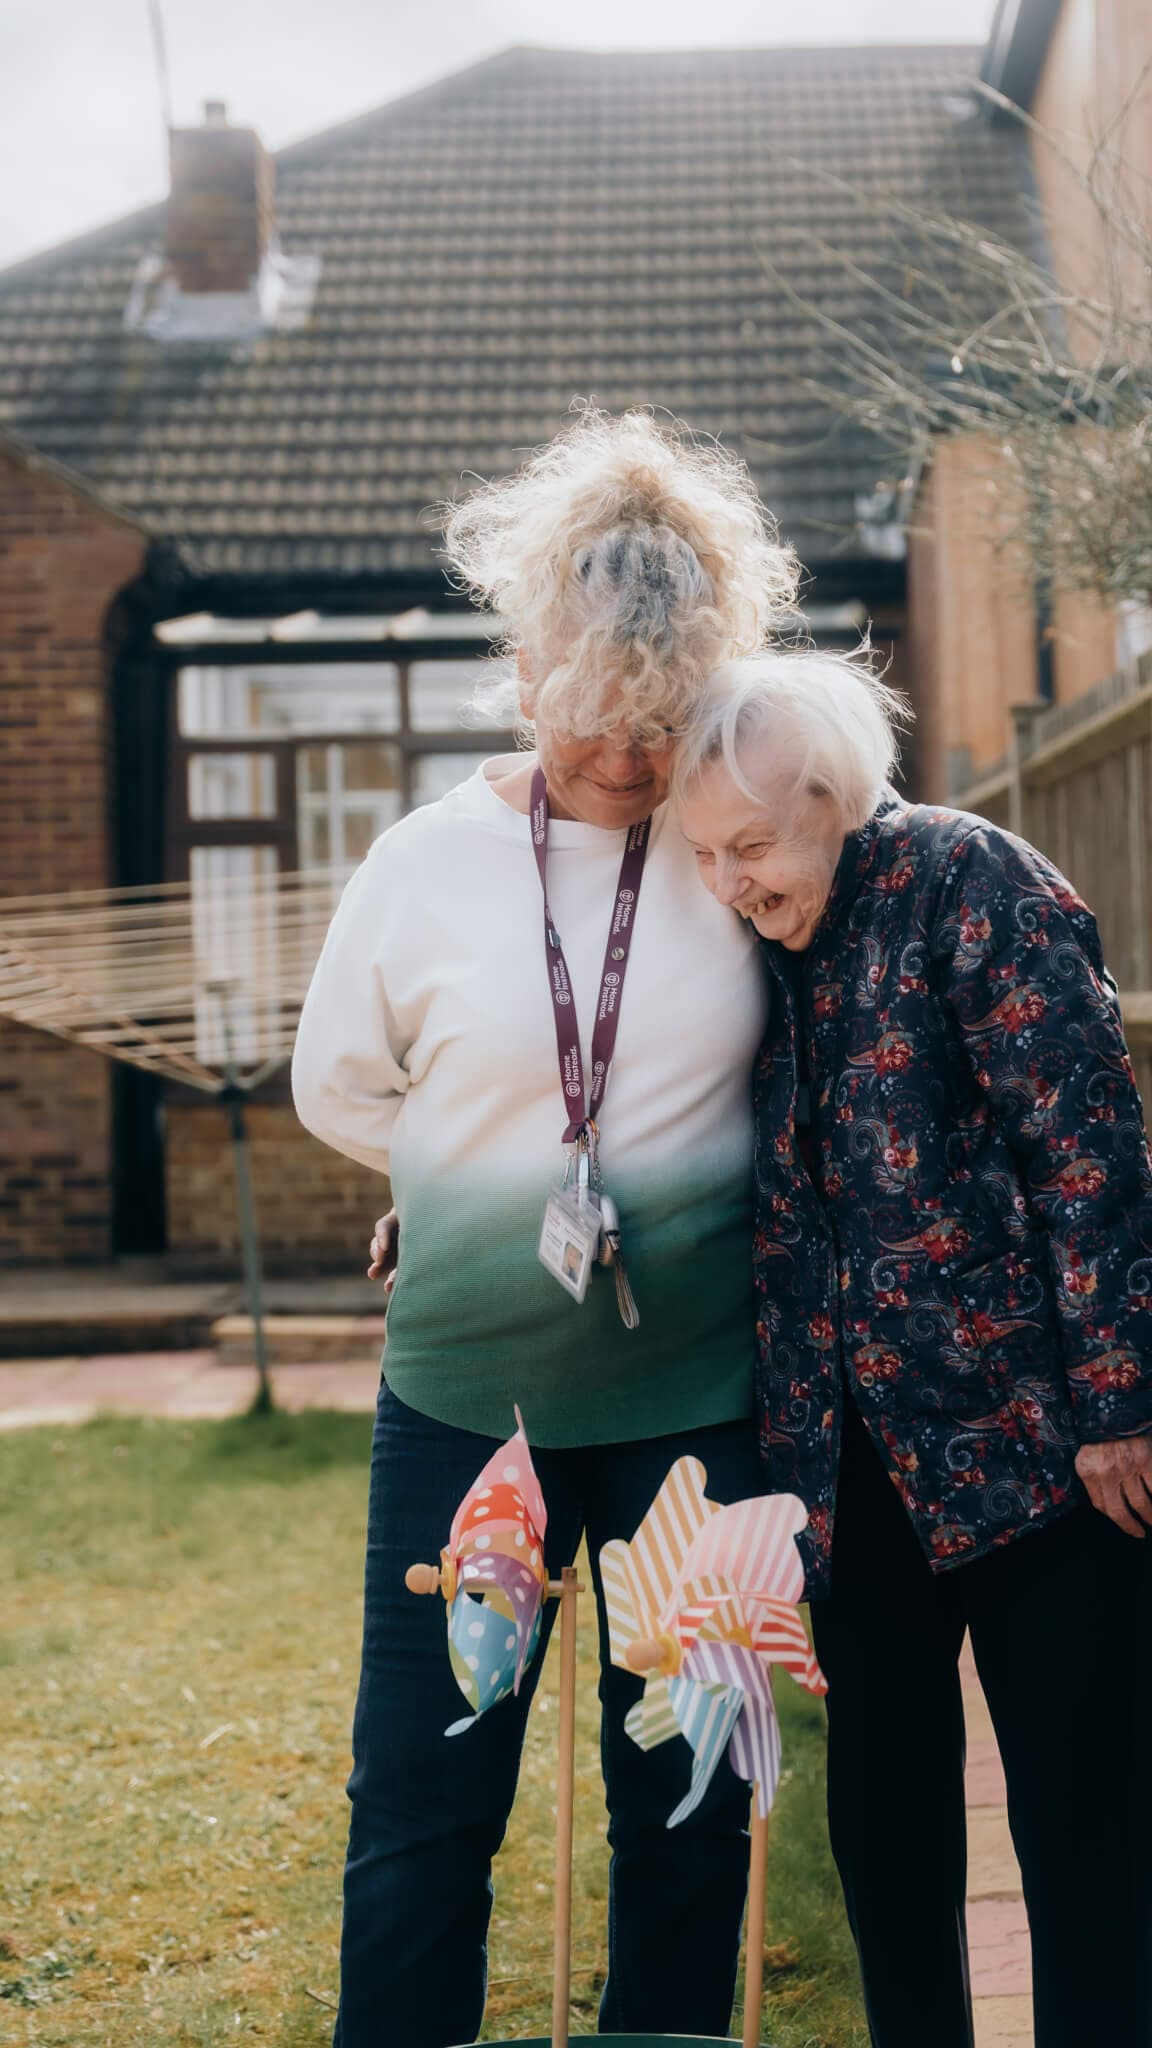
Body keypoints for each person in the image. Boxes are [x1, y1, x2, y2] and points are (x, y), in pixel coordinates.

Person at [291, 407, 800, 2048]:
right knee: (426, 1805)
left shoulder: (731, 848)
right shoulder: (424, 864)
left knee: (682, 1814)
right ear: (526, 673)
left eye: (661, 726)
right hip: (465, 1407)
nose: (629, 766)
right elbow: (341, 1086)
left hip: (697, 1416)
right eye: (594, 725)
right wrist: (444, 1188)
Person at [669, 648, 1152, 2048]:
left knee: (1083, 1828)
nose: (730, 882)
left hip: (1042, 1447)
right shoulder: (760, 946)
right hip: (845, 1460)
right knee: (885, 1829)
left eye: (750, 845)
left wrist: (1119, 1403)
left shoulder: (970, 881)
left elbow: (1087, 1148)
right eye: (702, 856)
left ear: (833, 793)